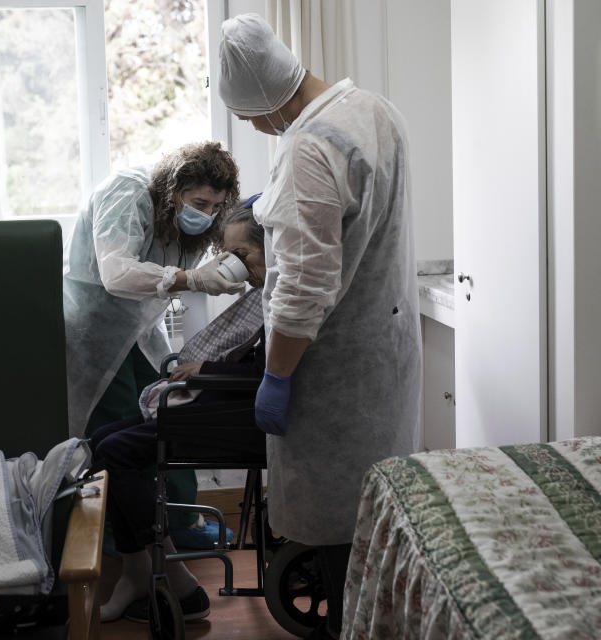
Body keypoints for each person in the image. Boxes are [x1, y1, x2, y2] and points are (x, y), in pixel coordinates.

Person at [218, 14, 422, 640]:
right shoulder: (373, 110)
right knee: (379, 527)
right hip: (384, 357)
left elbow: (303, 290)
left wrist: (275, 377)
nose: (253, 127)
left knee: (342, 541)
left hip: (333, 381)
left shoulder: (308, 148)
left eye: (248, 115)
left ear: (264, 98)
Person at [87, 203, 267, 624]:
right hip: (218, 404)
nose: (233, 265)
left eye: (242, 255)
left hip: (232, 417)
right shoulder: (267, 293)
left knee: (114, 453)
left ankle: (169, 574)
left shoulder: (284, 296)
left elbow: (267, 372)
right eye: (228, 254)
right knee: (100, 443)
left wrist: (206, 369)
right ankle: (143, 572)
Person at [63, 142, 243, 542]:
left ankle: (179, 523)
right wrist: (191, 279)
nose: (206, 213)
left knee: (171, 407)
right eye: (199, 202)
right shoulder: (127, 193)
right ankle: (118, 539)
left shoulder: (200, 217)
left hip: (141, 329)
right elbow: (116, 273)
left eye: (216, 206)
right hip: (97, 331)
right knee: (114, 432)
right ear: (173, 190)